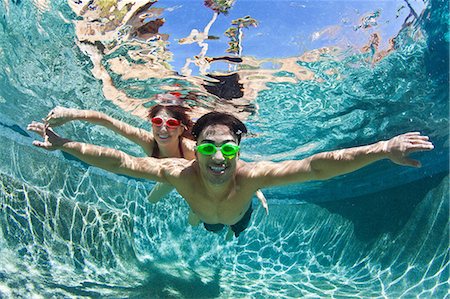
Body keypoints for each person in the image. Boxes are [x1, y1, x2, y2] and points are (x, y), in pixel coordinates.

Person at [28, 112, 434, 238]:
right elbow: (119, 161)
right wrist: (65, 144)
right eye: (208, 146)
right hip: (208, 216)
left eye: (227, 147)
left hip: (240, 214)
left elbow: (315, 166)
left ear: (239, 149)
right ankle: (207, 221)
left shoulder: (252, 177)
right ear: (195, 147)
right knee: (211, 226)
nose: (218, 156)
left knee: (234, 226)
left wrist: (381, 149)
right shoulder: (178, 172)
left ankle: (232, 221)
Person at [40, 106, 268, 225]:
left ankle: (218, 219)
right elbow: (109, 122)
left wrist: (253, 186)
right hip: (169, 176)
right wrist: (71, 114)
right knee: (152, 200)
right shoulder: (148, 141)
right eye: (157, 122)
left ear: (181, 128)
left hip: (196, 181)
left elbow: (228, 159)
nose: (163, 129)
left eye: (171, 123)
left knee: (202, 214)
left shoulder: (190, 148)